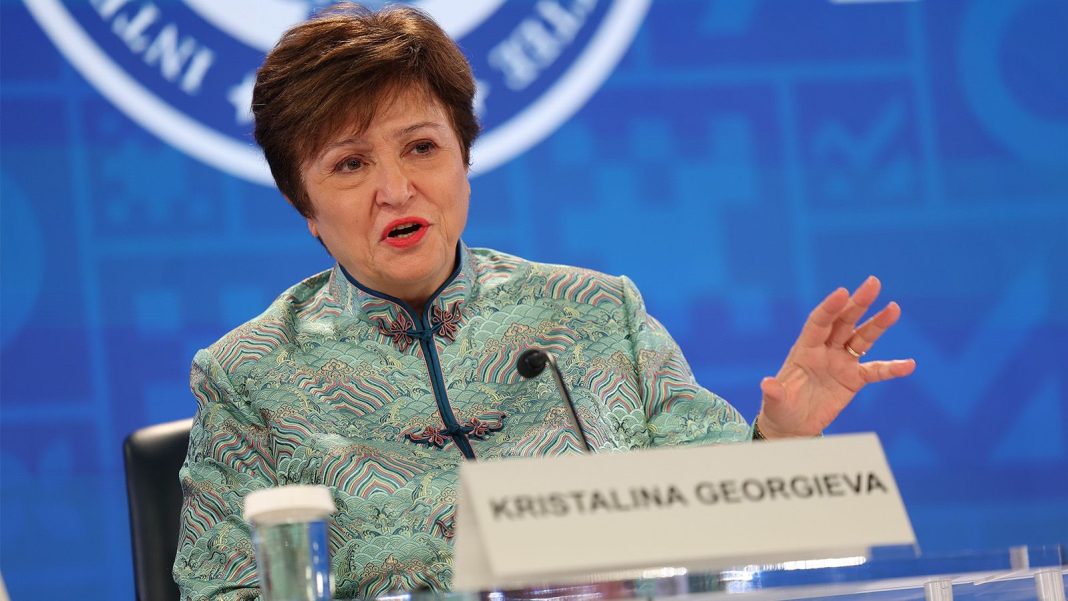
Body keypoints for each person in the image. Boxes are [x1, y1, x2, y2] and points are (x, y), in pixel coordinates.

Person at [173, 4, 916, 599]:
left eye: (422, 147)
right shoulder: (251, 374)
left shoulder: (597, 314)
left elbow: (722, 548)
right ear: (303, 202)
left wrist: (781, 445)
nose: (396, 188)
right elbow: (220, 589)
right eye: (350, 163)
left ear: (464, 155)